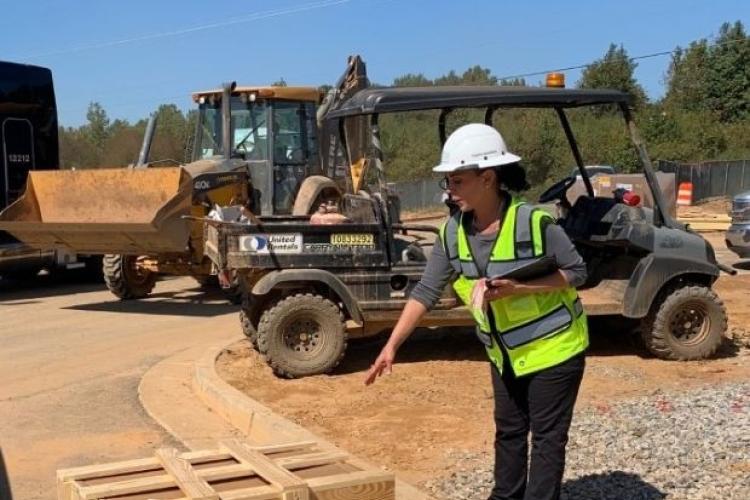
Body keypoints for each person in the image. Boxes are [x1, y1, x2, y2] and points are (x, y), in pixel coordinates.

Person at [364, 123, 589, 500]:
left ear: (488, 178)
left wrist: (520, 288)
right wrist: (392, 345)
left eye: (456, 181)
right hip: (506, 356)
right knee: (509, 431)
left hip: (556, 349)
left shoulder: (534, 223)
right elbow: (425, 290)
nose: (448, 191)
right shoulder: (452, 233)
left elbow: (579, 272)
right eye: (447, 182)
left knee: (547, 439)